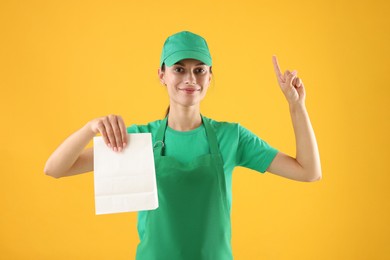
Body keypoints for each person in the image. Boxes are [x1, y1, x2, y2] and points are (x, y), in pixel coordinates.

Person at [44, 31, 322, 260]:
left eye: (199, 70)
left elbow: (308, 171)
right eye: (179, 69)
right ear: (162, 74)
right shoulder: (137, 140)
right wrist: (89, 128)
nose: (190, 79)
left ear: (210, 76)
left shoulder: (232, 137)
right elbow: (55, 168)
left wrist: (297, 107)